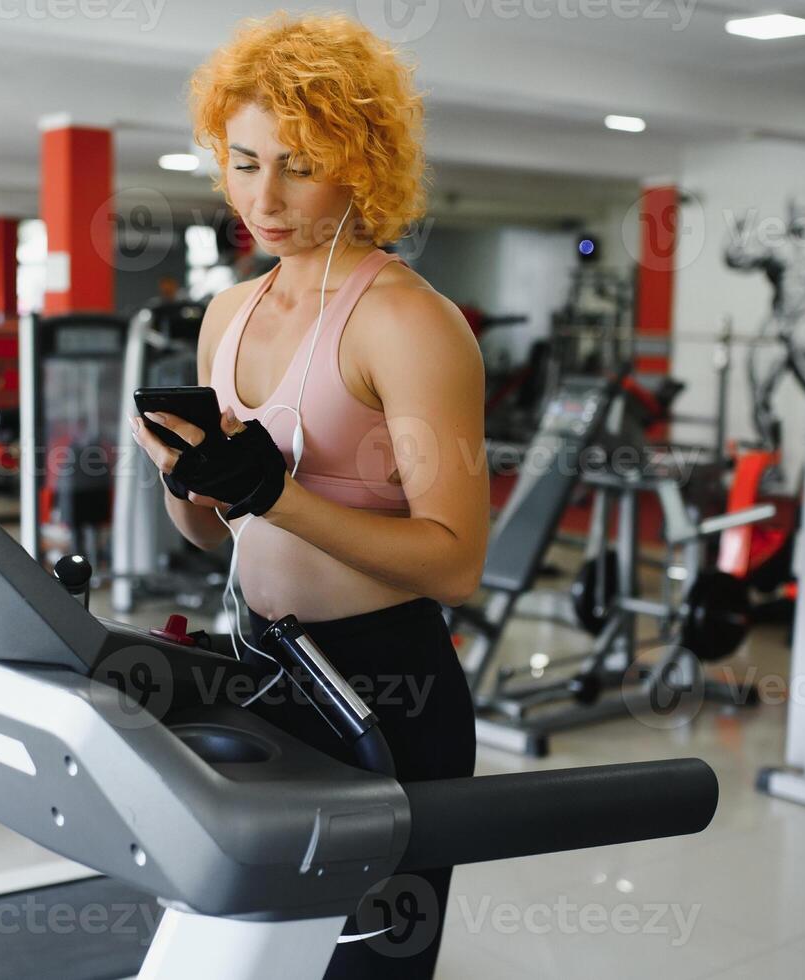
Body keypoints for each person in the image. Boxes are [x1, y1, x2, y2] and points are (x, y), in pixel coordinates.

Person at [129, 13, 488, 978]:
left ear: (362, 161)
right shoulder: (229, 312)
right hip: (259, 658)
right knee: (251, 951)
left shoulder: (409, 322)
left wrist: (276, 495)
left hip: (387, 684)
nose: (265, 196)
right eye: (244, 163)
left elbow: (455, 561)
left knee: (365, 966)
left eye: (299, 162)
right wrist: (187, 479)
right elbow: (211, 538)